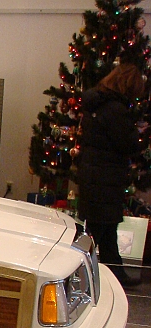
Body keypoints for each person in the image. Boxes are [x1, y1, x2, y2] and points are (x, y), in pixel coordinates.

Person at [76, 61, 145, 287]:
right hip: (107, 176)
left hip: (94, 174)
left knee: (102, 227)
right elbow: (129, 143)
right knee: (101, 228)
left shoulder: (97, 104)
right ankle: (92, 273)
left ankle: (113, 272)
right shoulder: (116, 110)